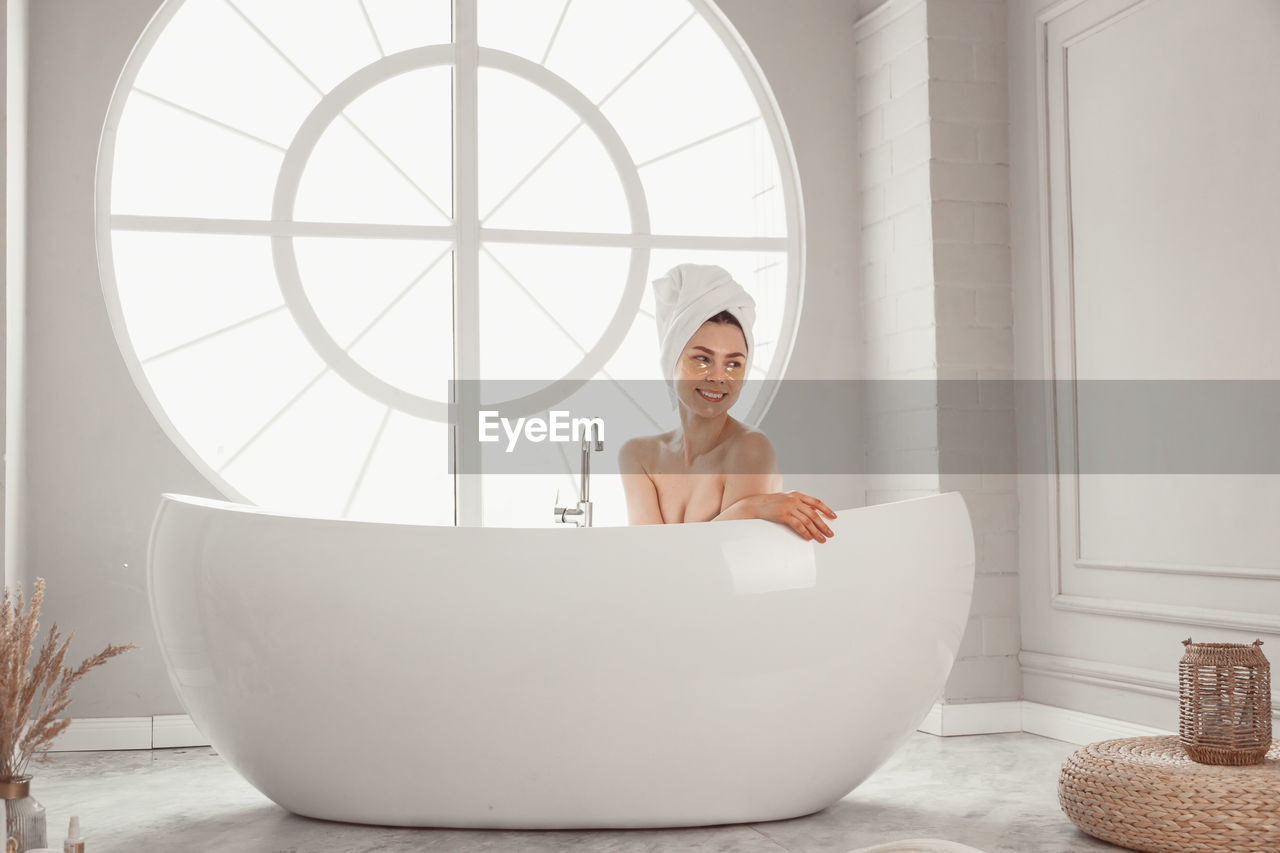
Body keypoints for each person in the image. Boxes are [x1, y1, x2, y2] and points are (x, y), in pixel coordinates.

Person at [618, 263, 837, 543]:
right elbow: (646, 556)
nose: (719, 376)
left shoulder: (749, 449)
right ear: (671, 360)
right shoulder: (639, 456)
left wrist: (746, 509)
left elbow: (723, 565)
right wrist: (749, 508)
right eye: (702, 359)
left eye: (734, 363)